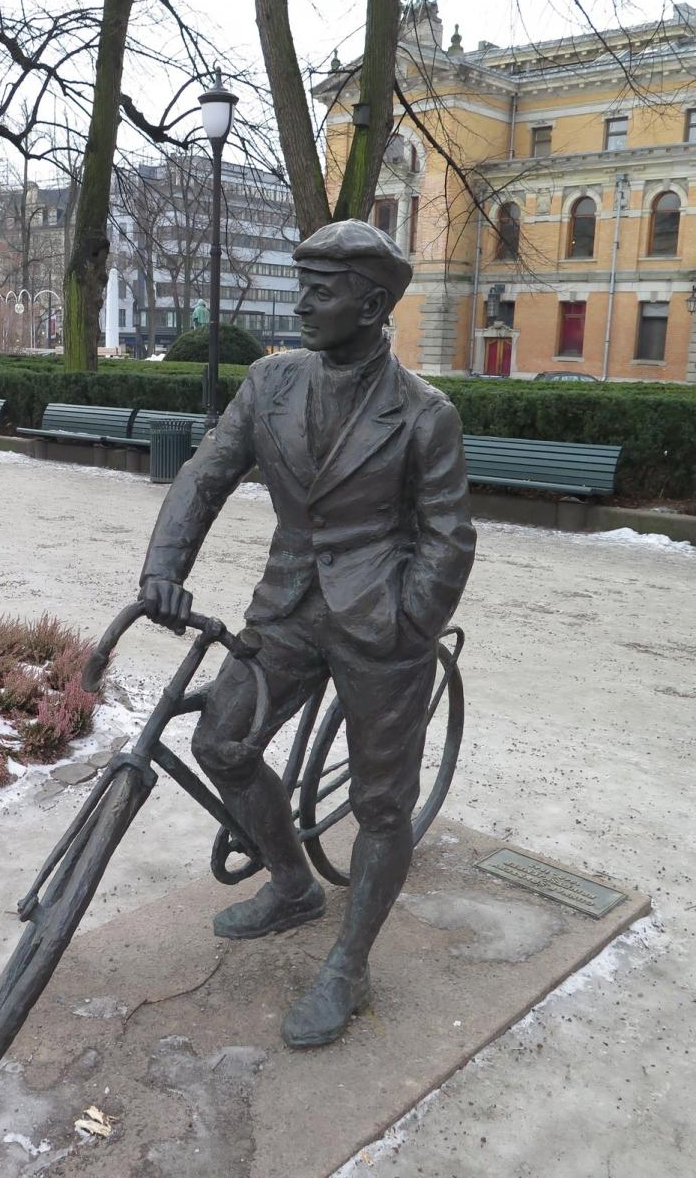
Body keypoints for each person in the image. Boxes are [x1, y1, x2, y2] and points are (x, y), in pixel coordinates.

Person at [140, 219, 476, 1048]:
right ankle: (293, 886)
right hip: (287, 607)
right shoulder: (270, 383)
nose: (298, 306)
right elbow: (205, 473)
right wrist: (163, 567)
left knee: (380, 804)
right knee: (221, 742)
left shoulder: (423, 413)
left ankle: (348, 967)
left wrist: (409, 623)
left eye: (318, 293)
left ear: (369, 304)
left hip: (380, 620)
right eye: (302, 287)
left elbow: (448, 536)